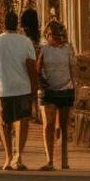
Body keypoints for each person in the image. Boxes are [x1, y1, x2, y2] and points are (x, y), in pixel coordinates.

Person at [0, 11, 38, 171]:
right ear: (17, 24)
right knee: (22, 121)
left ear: (2, 24)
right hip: (22, 88)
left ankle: (7, 157)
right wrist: (35, 88)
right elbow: (31, 66)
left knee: (3, 123)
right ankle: (18, 156)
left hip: (1, 89)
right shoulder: (25, 42)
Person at [36, 20, 76, 171]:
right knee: (49, 124)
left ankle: (64, 160)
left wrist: (74, 88)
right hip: (49, 90)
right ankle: (49, 160)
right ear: (47, 35)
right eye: (54, 35)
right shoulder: (43, 49)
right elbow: (38, 69)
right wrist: (41, 85)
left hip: (66, 89)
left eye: (60, 34)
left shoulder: (68, 48)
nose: (58, 37)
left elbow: (72, 68)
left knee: (64, 126)